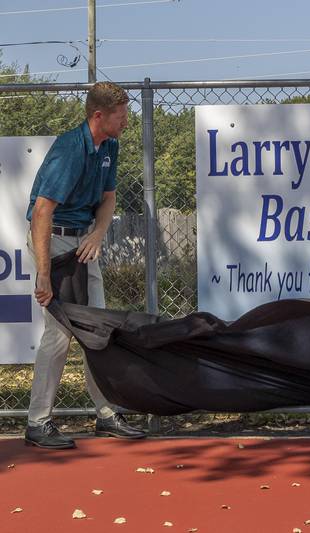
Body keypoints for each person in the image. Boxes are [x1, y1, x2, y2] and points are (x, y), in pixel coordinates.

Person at [24, 81, 146, 449]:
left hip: (83, 239)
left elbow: (107, 199)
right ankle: (37, 423)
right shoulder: (69, 150)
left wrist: (98, 234)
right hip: (54, 238)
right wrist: (44, 273)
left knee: (98, 327)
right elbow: (42, 213)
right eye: (121, 116)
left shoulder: (110, 145)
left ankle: (107, 415)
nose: (126, 121)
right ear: (98, 116)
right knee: (60, 334)